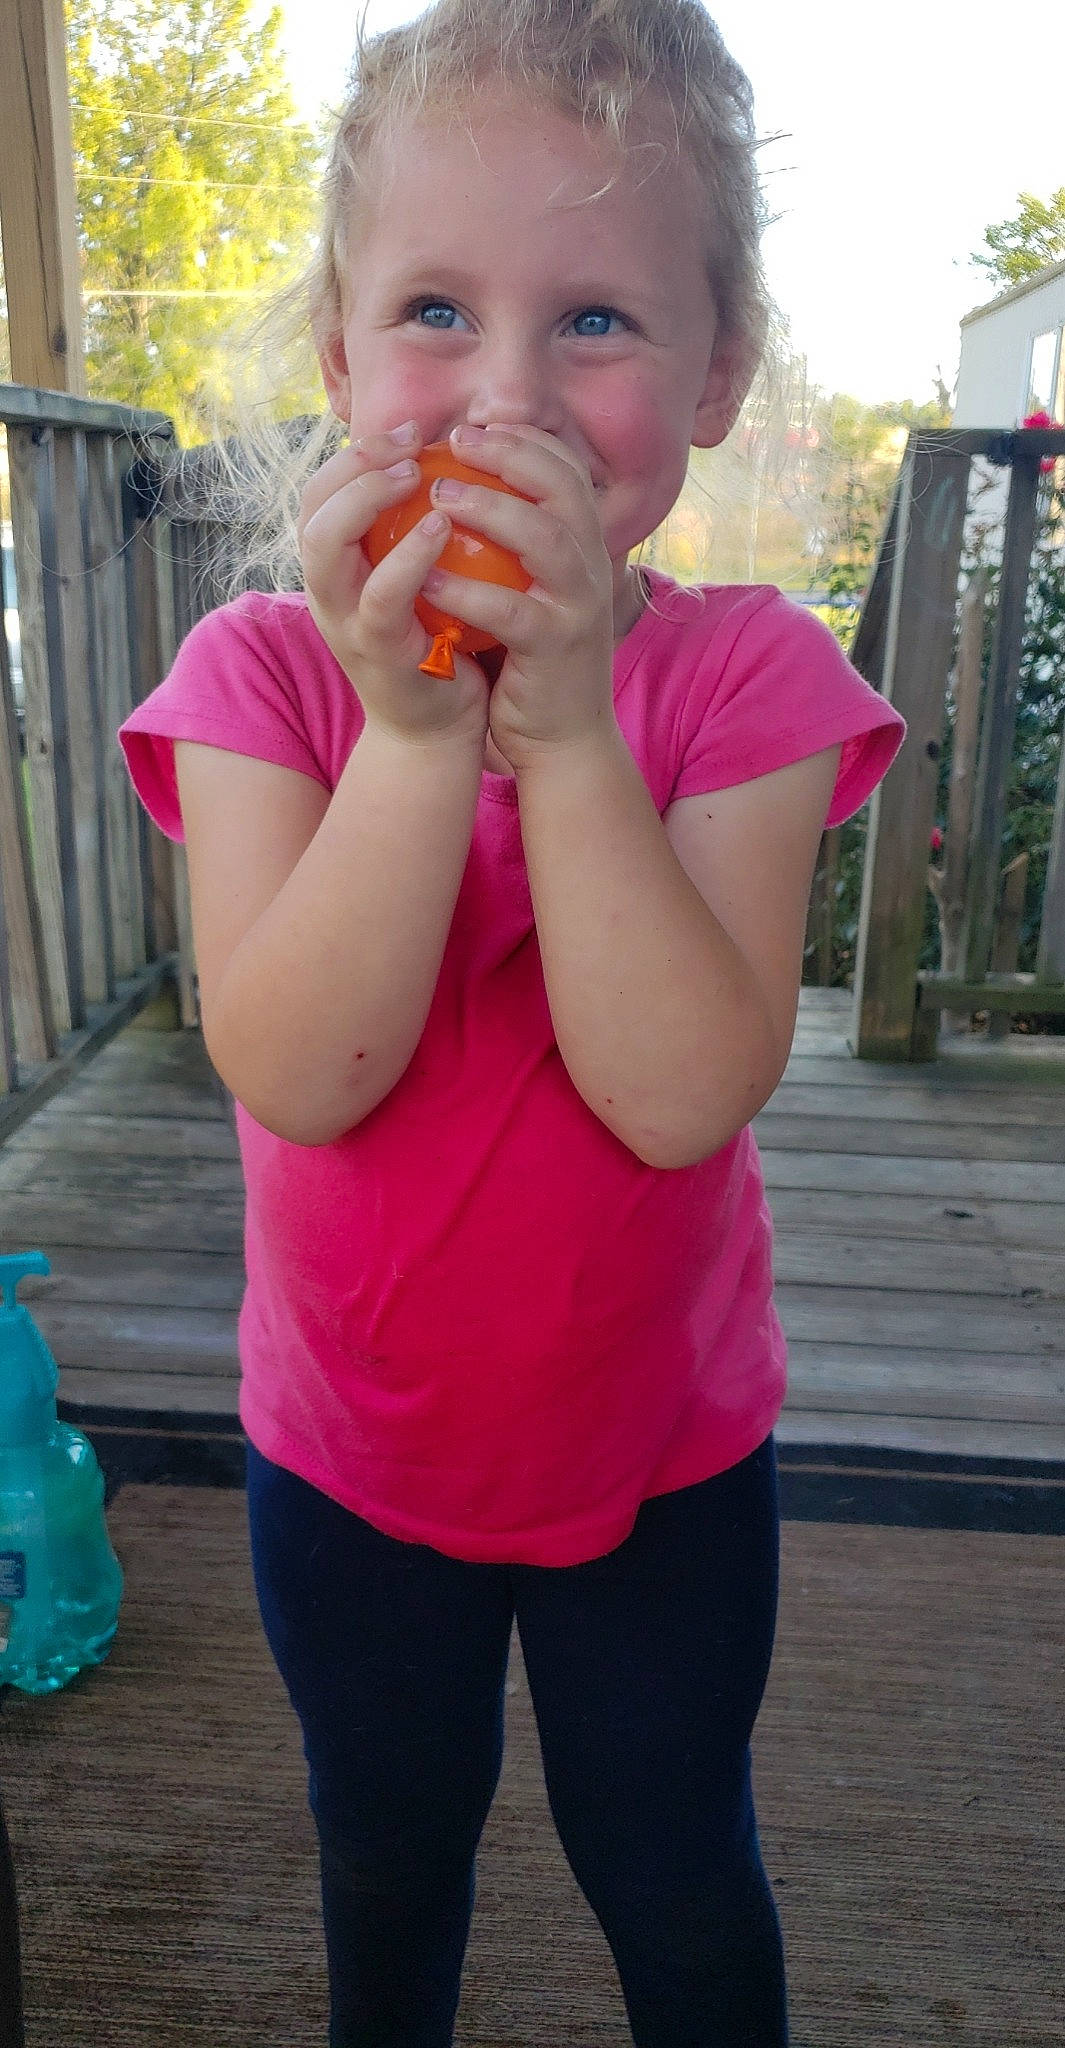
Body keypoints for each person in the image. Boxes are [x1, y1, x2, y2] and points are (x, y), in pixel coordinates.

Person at [120, 2, 905, 2041]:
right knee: (389, 1851)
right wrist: (414, 735)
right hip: (348, 1455)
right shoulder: (261, 678)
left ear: (715, 372)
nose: (504, 397)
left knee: (667, 1861)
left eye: (595, 325)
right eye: (438, 311)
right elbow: (297, 1064)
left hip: (657, 1458)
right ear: (337, 358)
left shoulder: (739, 683)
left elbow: (677, 1093)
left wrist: (558, 737)